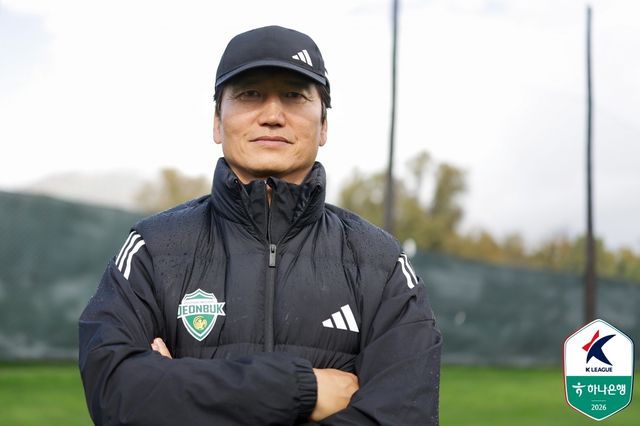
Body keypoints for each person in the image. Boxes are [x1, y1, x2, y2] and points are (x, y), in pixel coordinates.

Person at [79, 25, 442, 425]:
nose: (272, 116)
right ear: (217, 122)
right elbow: (116, 393)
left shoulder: (381, 263)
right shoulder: (152, 249)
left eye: (294, 95)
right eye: (250, 94)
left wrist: (180, 388)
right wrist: (301, 389)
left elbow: (405, 415)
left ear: (323, 125)